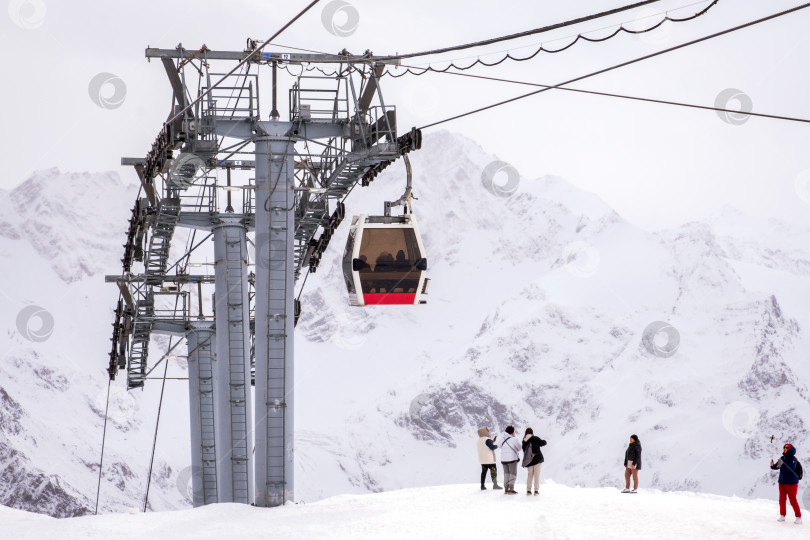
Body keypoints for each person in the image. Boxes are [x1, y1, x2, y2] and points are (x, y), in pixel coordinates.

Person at [770, 443, 802, 524]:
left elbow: (789, 469)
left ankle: (798, 517)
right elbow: (777, 466)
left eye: (787, 447)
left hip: (791, 483)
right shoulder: (783, 458)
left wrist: (781, 464)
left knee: (793, 500)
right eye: (784, 447)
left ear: (790, 449)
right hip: (782, 482)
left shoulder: (793, 459)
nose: (785, 448)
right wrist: (772, 466)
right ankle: (782, 515)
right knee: (782, 499)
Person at [522, 427, 547, 495]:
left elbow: (524, 451)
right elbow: (543, 443)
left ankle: (528, 490)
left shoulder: (524, 441)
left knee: (529, 476)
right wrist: (544, 441)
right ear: (532, 433)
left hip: (529, 461)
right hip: (537, 460)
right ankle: (536, 491)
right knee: (537, 476)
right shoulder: (535, 438)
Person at [500, 425, 521, 495]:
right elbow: (519, 448)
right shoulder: (514, 439)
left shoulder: (502, 438)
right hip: (512, 459)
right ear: (512, 432)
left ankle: (506, 489)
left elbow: (499, 445)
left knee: (506, 474)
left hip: (503, 459)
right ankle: (510, 490)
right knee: (512, 474)